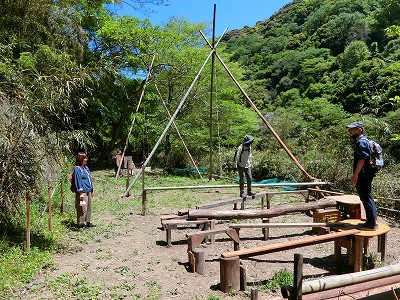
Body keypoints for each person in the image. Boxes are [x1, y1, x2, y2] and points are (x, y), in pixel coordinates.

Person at [346, 121, 377, 231]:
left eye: (351, 129)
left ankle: (370, 224)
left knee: (366, 197)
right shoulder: (365, 141)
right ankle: (372, 222)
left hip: (363, 175)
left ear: (359, 130)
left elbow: (362, 159)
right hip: (366, 174)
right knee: (368, 197)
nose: (349, 132)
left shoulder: (361, 142)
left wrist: (355, 175)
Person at [73, 151, 95, 229]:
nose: (86, 159)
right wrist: (81, 193)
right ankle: (80, 224)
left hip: (88, 190)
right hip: (83, 192)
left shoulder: (86, 168)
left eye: (86, 157)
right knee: (82, 208)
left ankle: (88, 222)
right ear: (80, 159)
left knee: (89, 207)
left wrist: (92, 189)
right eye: (84, 158)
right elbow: (77, 181)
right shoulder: (77, 169)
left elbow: (89, 179)